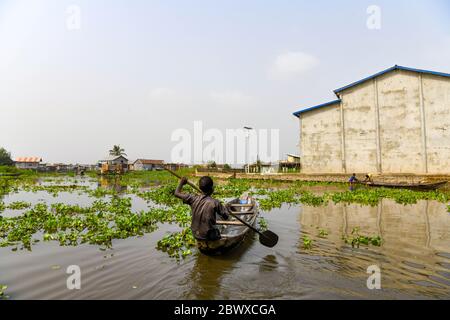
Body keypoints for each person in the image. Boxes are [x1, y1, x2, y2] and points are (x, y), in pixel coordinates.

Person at [174, 176, 230, 241]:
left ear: (200, 188)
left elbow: (176, 193)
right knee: (216, 229)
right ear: (212, 189)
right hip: (209, 236)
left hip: (195, 234)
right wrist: (226, 210)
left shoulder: (192, 198)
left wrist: (182, 182)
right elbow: (226, 217)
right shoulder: (215, 202)